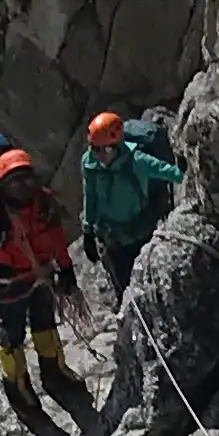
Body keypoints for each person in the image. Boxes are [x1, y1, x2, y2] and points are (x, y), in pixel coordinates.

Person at [0, 147, 95, 436]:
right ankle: (19, 390)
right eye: (15, 182)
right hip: (10, 285)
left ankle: (54, 372)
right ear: (2, 185)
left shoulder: (43, 202)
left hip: (39, 276)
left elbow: (56, 237)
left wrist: (66, 269)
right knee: (11, 339)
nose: (23, 187)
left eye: (26, 180)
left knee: (45, 325)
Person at [76, 109, 184, 299]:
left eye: (104, 149)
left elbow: (166, 171)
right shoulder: (90, 164)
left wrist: (183, 169)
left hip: (140, 234)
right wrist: (88, 231)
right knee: (126, 292)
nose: (99, 155)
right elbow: (90, 196)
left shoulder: (137, 160)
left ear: (117, 146)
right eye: (94, 148)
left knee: (148, 290)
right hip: (112, 239)